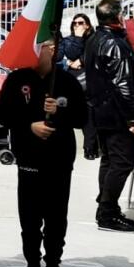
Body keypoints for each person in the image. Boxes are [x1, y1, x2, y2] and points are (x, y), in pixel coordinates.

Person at [0, 39, 87, 267]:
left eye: (41, 46)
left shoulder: (66, 81)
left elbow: (82, 118)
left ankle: (54, 264)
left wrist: (60, 111)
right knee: (30, 216)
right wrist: (29, 126)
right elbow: (3, 115)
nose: (34, 51)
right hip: (29, 158)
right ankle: (32, 264)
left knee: (57, 216)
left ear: (51, 50)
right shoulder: (17, 80)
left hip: (59, 160)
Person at [83, 0, 134, 233]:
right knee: (121, 162)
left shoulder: (95, 39)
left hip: (102, 112)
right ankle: (107, 212)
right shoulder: (113, 44)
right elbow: (122, 84)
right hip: (117, 114)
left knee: (110, 160)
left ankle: (106, 206)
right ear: (117, 17)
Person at [58, 13, 98, 160]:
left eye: (80, 23)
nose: (77, 25)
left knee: (88, 112)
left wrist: (81, 60)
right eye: (75, 23)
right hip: (73, 79)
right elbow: (68, 54)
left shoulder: (94, 39)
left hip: (89, 80)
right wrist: (78, 38)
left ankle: (89, 146)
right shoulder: (69, 40)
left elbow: (95, 55)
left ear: (87, 24)